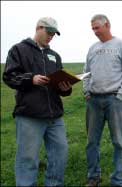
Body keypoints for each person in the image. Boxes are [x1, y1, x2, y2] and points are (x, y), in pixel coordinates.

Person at [2, 17, 72, 186]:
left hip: (54, 116)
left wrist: (65, 88)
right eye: (48, 32)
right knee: (28, 159)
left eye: (54, 34)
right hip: (29, 116)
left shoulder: (54, 56)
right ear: (38, 28)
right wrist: (31, 79)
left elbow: (60, 85)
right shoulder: (18, 50)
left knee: (60, 154)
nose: (51, 37)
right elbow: (9, 77)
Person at [83, 14, 122, 187]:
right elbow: (86, 72)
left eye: (97, 28)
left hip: (115, 100)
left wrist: (121, 95)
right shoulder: (92, 48)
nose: (95, 32)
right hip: (94, 101)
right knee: (91, 142)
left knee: (119, 142)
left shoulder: (121, 45)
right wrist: (86, 91)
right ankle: (93, 177)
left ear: (107, 25)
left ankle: (117, 180)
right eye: (92, 29)